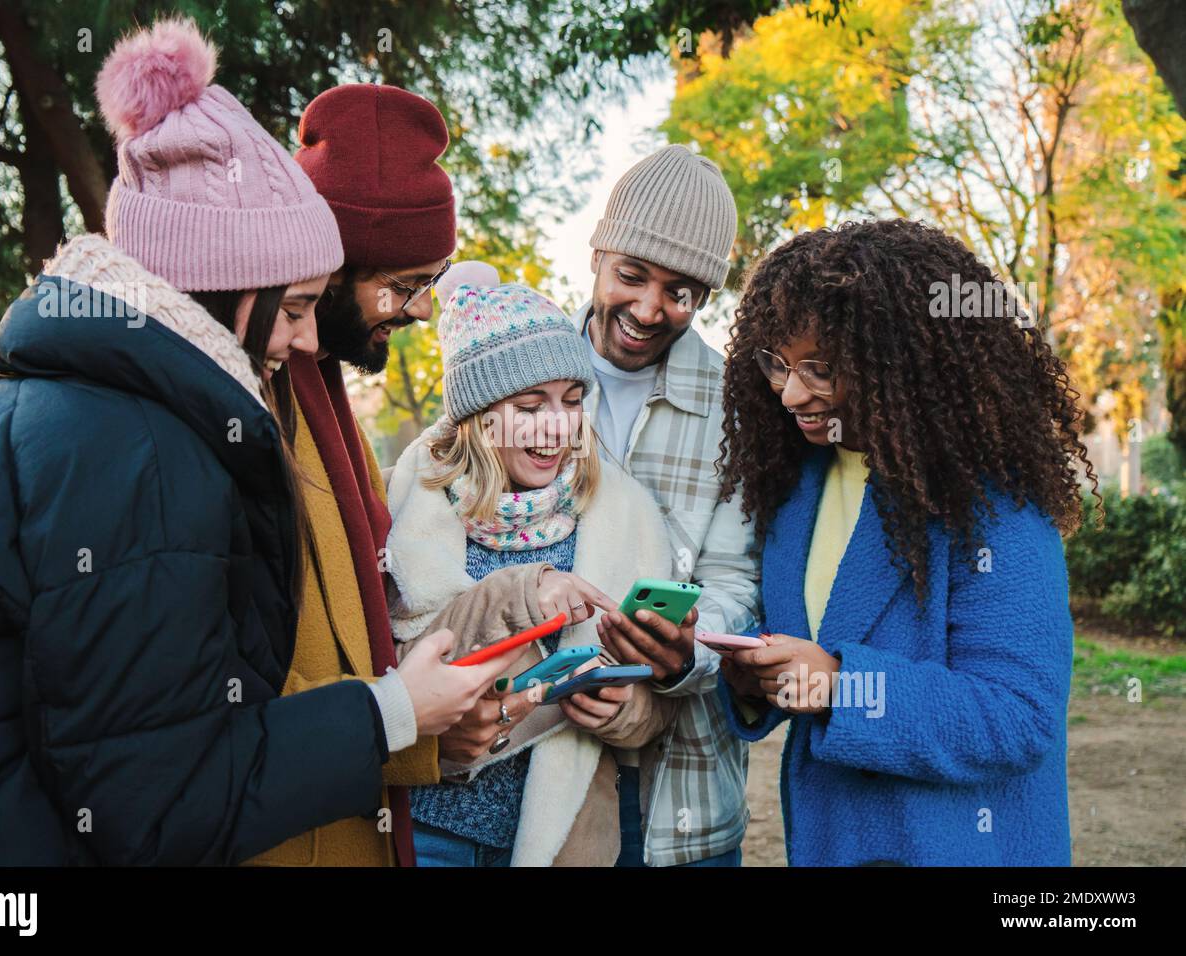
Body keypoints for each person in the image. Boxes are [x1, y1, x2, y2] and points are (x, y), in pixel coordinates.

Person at [0, 18, 516, 866]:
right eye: (293, 307)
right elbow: (158, 797)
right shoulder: (141, 451)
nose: (297, 344)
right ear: (227, 291)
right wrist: (398, 716)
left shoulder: (5, 409)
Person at [718, 219, 1096, 866]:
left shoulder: (993, 500)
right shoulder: (795, 483)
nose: (789, 391)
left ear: (902, 366)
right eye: (777, 363)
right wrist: (750, 679)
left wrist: (842, 684)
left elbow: (1018, 717)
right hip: (833, 842)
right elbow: (803, 647)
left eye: (820, 369)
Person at [383, 266, 685, 866]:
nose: (557, 426)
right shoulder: (402, 500)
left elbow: (657, 705)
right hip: (425, 828)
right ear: (480, 414)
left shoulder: (625, 516)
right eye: (530, 405)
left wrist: (626, 714)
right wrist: (524, 593)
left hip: (558, 837)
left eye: (573, 402)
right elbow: (388, 670)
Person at [244, 83, 458, 867]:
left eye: (431, 281)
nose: (422, 311)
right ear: (330, 267)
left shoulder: (326, 391)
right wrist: (404, 721)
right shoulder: (243, 410)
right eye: (403, 285)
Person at [573, 145, 758, 866]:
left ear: (705, 296)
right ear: (596, 252)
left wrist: (688, 655)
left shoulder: (739, 405)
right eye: (632, 275)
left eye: (679, 291)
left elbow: (738, 581)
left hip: (683, 801)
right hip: (537, 789)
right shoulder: (520, 377)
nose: (649, 309)